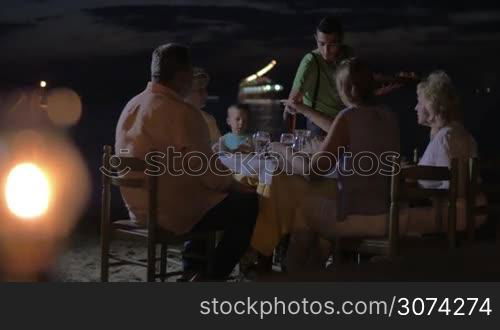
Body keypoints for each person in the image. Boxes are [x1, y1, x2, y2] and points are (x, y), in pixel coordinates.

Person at [115, 43, 258, 280]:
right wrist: (235, 185)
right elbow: (212, 175)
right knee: (246, 203)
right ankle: (211, 278)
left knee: (202, 195)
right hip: (168, 213)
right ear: (183, 76)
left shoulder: (132, 105)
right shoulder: (182, 113)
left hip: (138, 209)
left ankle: (193, 269)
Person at [282, 58, 401, 272]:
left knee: (302, 209)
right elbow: (350, 135)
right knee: (321, 214)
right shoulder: (389, 117)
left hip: (357, 216)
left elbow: (313, 171)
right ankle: (316, 277)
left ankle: (290, 282)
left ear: (350, 90)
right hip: (386, 213)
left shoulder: (348, 116)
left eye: (340, 87)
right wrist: (304, 110)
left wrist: (282, 151)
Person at [285, 16, 352, 137]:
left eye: (332, 44)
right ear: (316, 38)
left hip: (345, 120)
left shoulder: (348, 56)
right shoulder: (310, 61)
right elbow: (293, 101)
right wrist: (293, 106)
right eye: (321, 44)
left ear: (341, 40)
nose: (326, 51)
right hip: (318, 125)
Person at [184, 67, 221, 146]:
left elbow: (219, 146)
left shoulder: (208, 120)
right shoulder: (171, 118)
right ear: (184, 91)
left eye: (205, 89)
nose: (205, 95)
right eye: (200, 90)